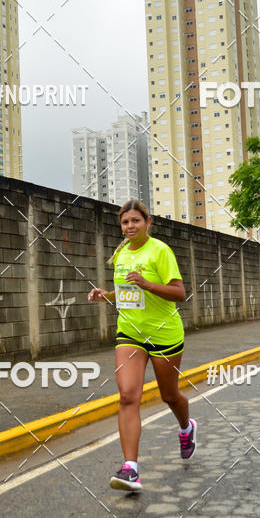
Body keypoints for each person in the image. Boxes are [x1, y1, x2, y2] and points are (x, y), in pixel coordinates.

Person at [88, 199, 196, 492]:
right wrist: (105, 295)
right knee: (127, 396)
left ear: (148, 223)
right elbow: (127, 296)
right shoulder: (121, 254)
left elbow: (179, 293)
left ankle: (186, 428)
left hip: (163, 335)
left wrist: (148, 284)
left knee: (170, 396)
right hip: (130, 333)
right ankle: (130, 469)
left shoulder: (160, 251)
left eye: (135, 220)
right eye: (125, 222)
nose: (130, 226)